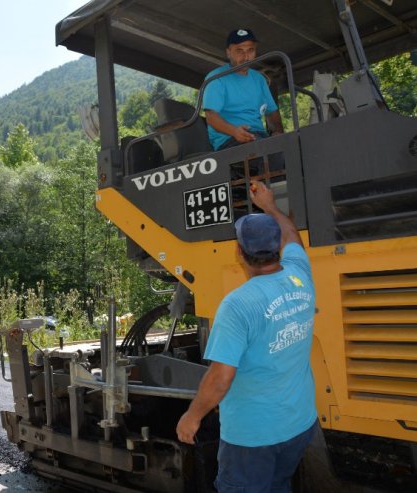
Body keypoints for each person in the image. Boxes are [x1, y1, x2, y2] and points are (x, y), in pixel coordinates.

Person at [176, 181, 317, 492]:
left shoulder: (238, 305)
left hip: (253, 437)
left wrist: (192, 416)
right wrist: (271, 207)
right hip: (299, 424)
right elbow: (293, 237)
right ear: (277, 245)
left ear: (239, 252)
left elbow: (221, 377)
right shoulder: (300, 276)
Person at [203, 28, 284, 150]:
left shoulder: (259, 79)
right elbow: (211, 116)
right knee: (274, 155)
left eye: (250, 50)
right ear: (228, 52)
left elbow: (272, 112)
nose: (246, 57)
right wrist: (234, 131)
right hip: (229, 141)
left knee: (297, 147)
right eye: (239, 51)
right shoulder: (216, 78)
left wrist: (278, 132)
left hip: (259, 137)